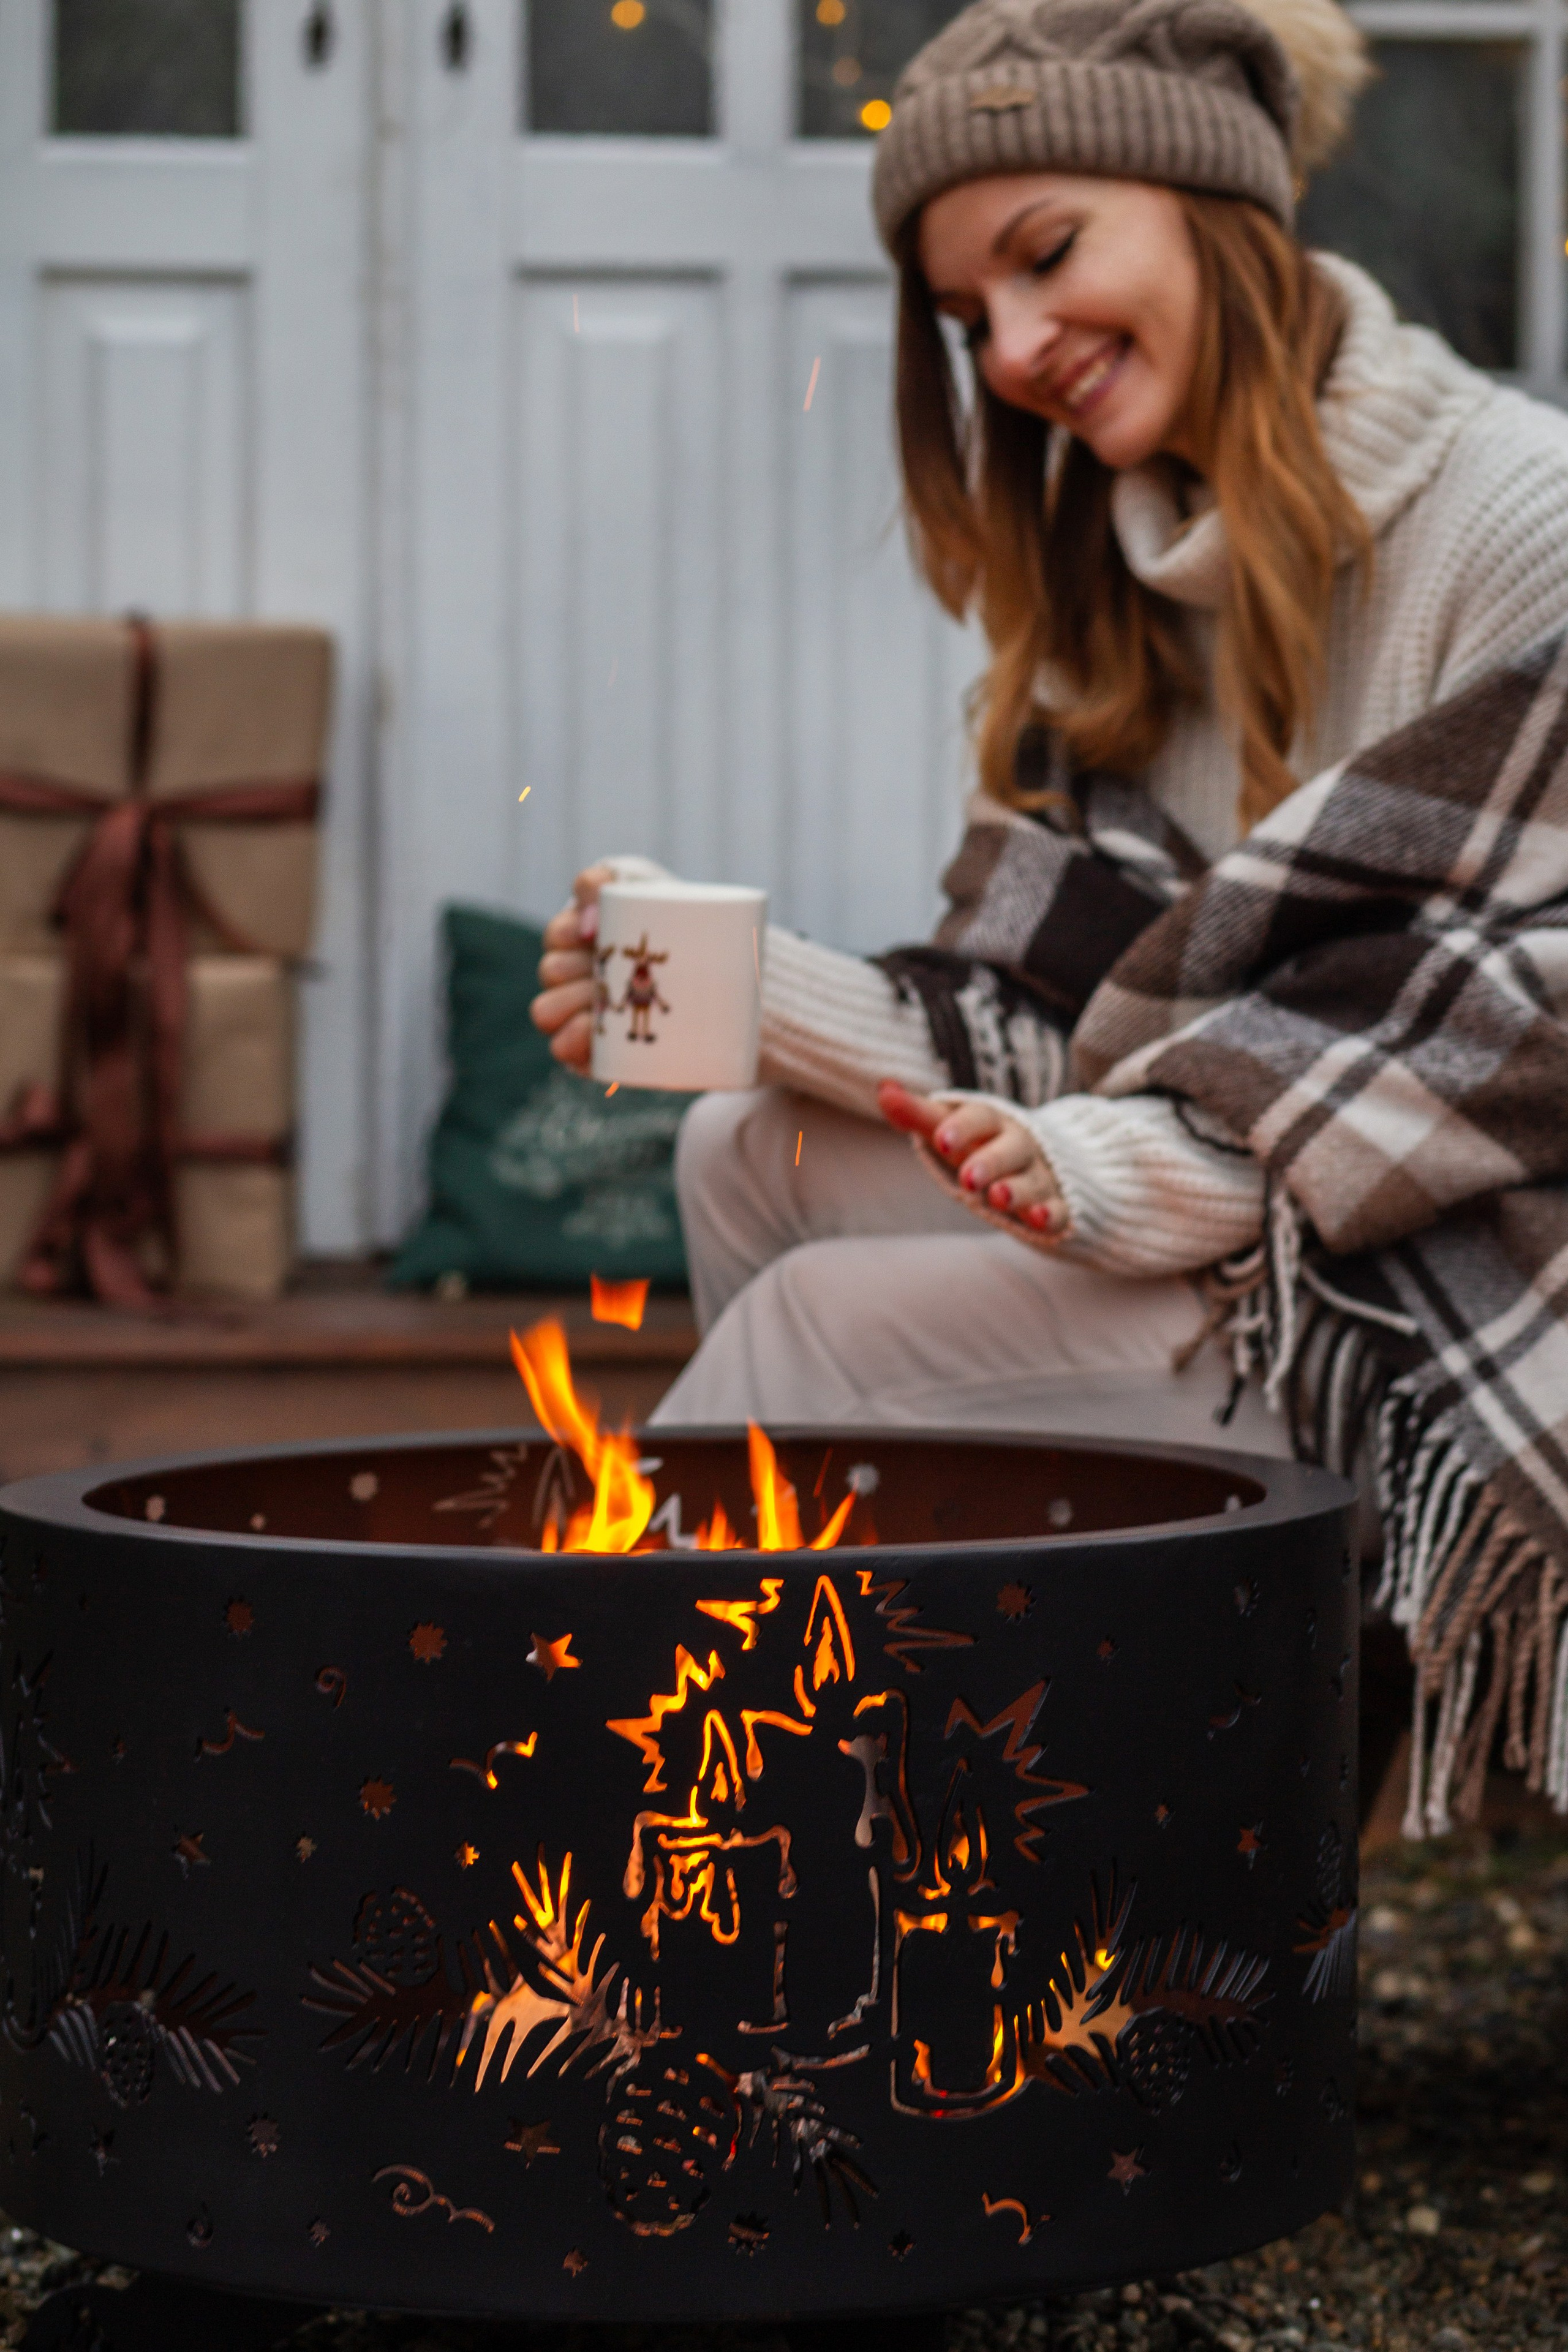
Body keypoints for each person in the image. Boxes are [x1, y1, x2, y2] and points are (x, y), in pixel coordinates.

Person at [530, 0, 1568, 1472]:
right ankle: (878, 1670)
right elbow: (1063, 1011)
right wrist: (745, 990)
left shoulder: (1520, 521)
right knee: (750, 1147)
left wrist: (1149, 1158)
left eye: (1047, 252)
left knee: (819, 1333)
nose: (1012, 352)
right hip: (1206, 1182)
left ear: (1215, 203)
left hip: (1447, 1260)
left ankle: (623, 1694)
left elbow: (1517, 1035)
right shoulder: (1117, 584)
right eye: (966, 322)